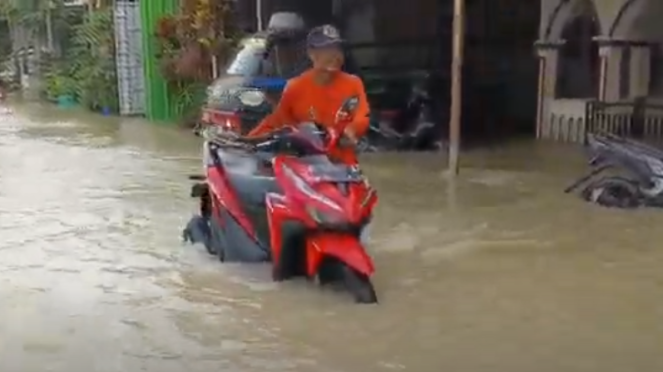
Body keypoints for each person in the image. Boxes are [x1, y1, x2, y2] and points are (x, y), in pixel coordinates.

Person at [247, 24, 370, 165]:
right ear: (312, 54)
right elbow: (277, 121)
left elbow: (362, 116)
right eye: (327, 49)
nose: (334, 55)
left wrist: (352, 130)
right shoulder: (296, 87)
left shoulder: (353, 84)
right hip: (311, 169)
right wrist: (247, 141)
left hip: (345, 168)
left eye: (337, 49)